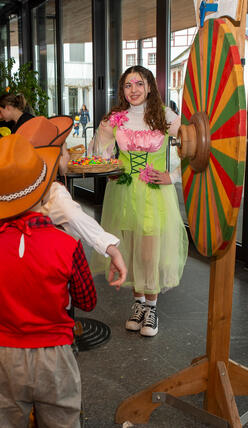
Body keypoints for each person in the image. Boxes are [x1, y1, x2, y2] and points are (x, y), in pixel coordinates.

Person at [0, 133, 97, 428]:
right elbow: (87, 302)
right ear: (44, 191)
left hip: (3, 357)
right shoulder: (67, 244)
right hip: (55, 358)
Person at [91, 65, 188, 337]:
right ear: (122, 90)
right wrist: (108, 167)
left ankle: (152, 307)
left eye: (139, 84)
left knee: (149, 252)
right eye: (127, 85)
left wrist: (173, 177)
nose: (133, 90)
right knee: (131, 249)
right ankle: (138, 304)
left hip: (154, 195)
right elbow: (99, 152)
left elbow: (192, 145)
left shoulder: (164, 116)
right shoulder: (117, 118)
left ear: (149, 87)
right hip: (123, 193)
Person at [15, 116, 127, 289]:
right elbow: (74, 216)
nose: (68, 155)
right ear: (56, 158)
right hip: (49, 268)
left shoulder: (19, 185)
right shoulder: (53, 192)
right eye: (66, 150)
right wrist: (112, 249)